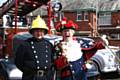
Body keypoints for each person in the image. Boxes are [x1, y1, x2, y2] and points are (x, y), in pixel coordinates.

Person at [15, 15, 55, 80]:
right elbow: (18, 62)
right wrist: (28, 71)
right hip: (31, 77)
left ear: (44, 32)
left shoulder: (49, 45)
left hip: (46, 77)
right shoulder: (25, 44)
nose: (39, 33)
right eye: (37, 31)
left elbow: (52, 61)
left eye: (41, 31)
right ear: (32, 32)